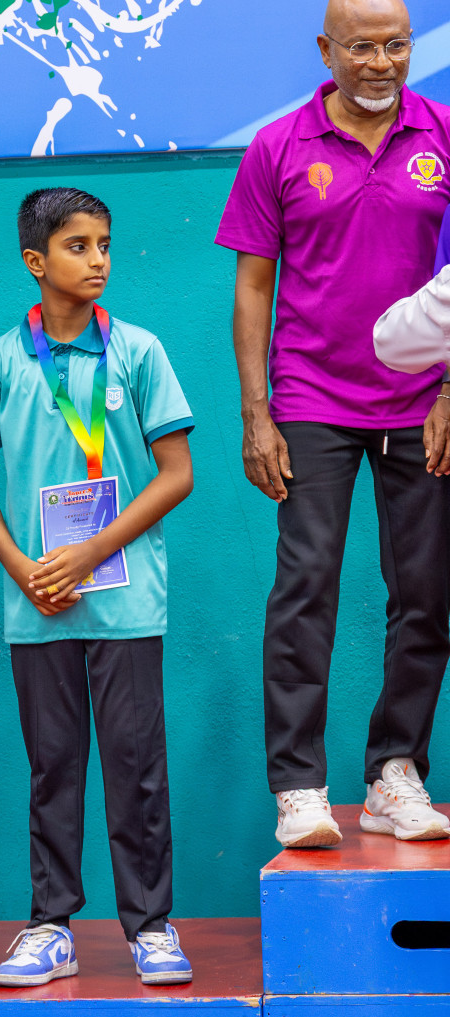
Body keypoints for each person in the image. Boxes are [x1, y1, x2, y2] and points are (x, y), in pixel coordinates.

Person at [215, 0, 450, 848]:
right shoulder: (280, 145)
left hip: (423, 399)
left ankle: (395, 773)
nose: (382, 63)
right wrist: (257, 409)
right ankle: (300, 787)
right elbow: (253, 286)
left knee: (425, 593)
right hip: (312, 397)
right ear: (327, 50)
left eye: (396, 45)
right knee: (307, 585)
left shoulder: (444, 134)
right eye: (363, 48)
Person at [0, 188, 196, 987]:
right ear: (36, 261)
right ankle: (50, 923)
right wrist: (23, 569)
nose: (98, 259)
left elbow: (176, 476)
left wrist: (92, 548)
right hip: (41, 602)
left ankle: (151, 926)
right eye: (78, 246)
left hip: (125, 599)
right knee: (52, 766)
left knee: (137, 765)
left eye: (103, 243)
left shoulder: (138, 351)